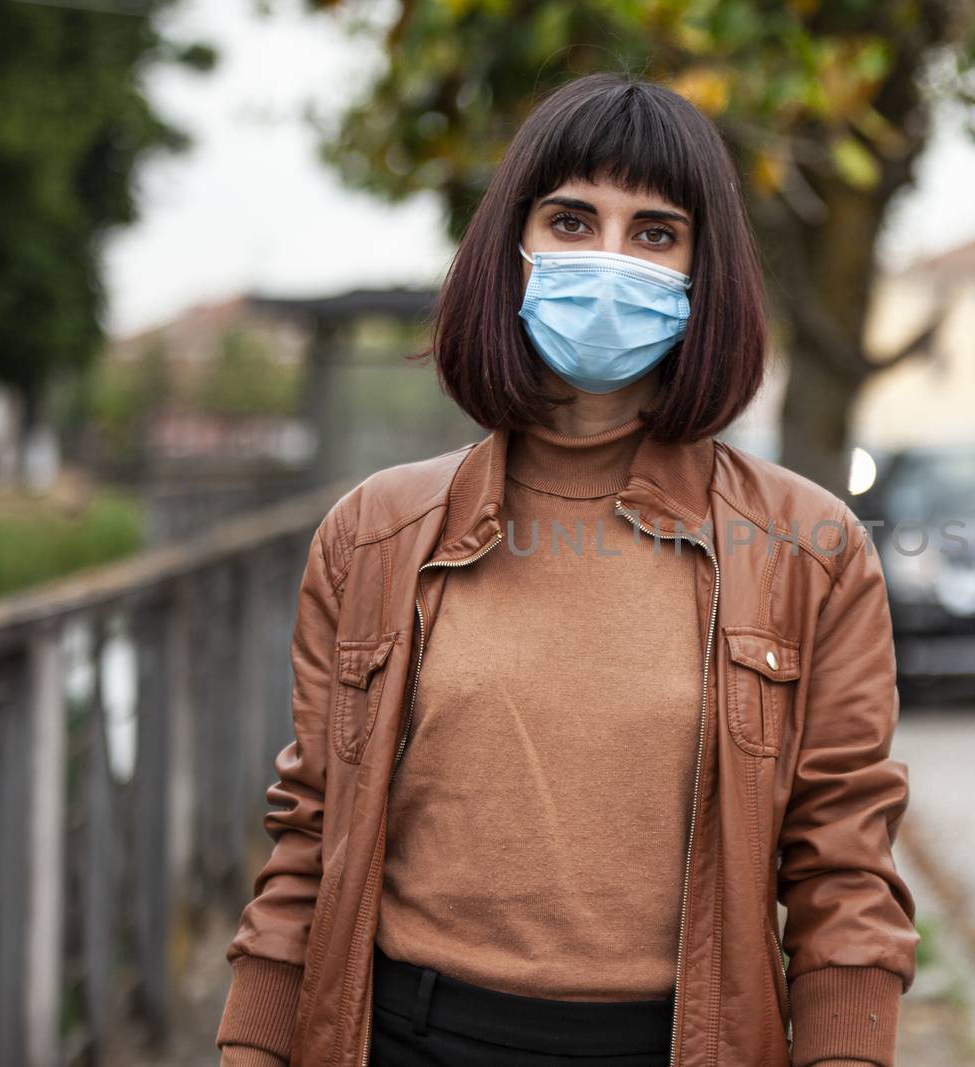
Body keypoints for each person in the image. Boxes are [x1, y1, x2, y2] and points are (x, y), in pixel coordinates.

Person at [215, 70, 917, 1067]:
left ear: (702, 272)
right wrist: (251, 1045)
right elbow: (308, 836)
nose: (610, 260)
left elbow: (845, 867)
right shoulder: (374, 532)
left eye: (655, 233)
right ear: (513, 250)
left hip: (679, 1043)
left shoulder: (811, 546)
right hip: (405, 1037)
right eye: (573, 221)